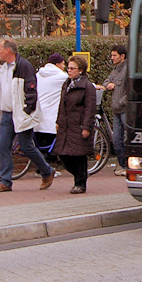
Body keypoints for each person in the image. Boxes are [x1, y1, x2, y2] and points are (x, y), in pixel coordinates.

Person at [0, 38, 54, 193]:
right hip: (7, 114)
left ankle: (47, 171)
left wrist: (27, 110)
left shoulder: (23, 66)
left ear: (8, 50)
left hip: (20, 114)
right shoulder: (3, 69)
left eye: (0, 48)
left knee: (26, 146)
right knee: (3, 146)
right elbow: (0, 92)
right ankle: (5, 181)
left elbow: (31, 89)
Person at [53, 55, 97, 194]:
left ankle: (80, 182)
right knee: (63, 154)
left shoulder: (87, 87)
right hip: (66, 125)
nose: (69, 70)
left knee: (78, 155)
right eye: (68, 68)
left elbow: (90, 109)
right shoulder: (67, 84)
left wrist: (86, 127)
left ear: (81, 71)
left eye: (73, 68)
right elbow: (62, 105)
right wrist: (59, 121)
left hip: (78, 124)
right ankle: (81, 175)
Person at [104, 45, 128, 176]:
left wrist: (121, 102)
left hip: (124, 110)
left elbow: (131, 90)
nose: (112, 58)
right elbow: (106, 81)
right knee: (117, 139)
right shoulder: (115, 70)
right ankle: (122, 164)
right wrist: (108, 85)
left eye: (114, 55)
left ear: (122, 56)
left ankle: (127, 165)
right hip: (117, 110)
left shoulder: (127, 71)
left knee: (125, 138)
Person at [35, 53, 68, 149]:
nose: (64, 67)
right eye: (63, 64)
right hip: (51, 119)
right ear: (57, 65)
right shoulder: (61, 76)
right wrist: (95, 86)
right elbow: (77, 84)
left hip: (38, 116)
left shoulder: (38, 74)